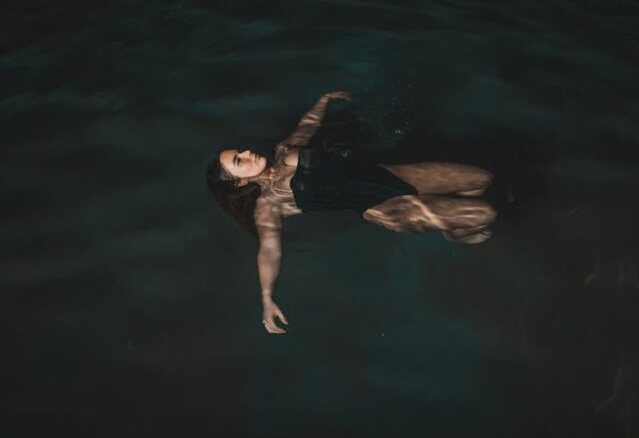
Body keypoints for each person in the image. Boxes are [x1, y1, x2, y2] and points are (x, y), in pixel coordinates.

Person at [206, 91, 497, 334]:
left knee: (483, 179)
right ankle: (454, 233)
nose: (247, 153)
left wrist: (324, 100)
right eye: (239, 161)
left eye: (240, 151)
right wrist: (267, 297)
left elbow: (307, 126)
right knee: (485, 215)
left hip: (395, 174)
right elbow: (269, 250)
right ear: (241, 182)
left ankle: (450, 222)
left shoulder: (284, 151)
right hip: (391, 209)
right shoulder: (270, 204)